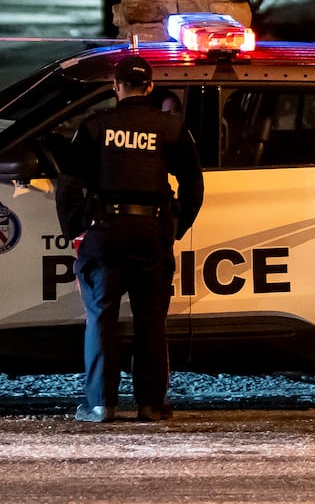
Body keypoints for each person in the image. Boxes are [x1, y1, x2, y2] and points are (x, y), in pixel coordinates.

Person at [56, 54, 203, 424]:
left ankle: (100, 405)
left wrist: (73, 227)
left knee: (101, 317)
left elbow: (69, 184)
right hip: (151, 234)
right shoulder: (170, 128)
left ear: (116, 87)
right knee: (151, 319)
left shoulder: (95, 126)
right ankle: (151, 405)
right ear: (150, 87)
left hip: (106, 233)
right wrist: (174, 227)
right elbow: (193, 185)